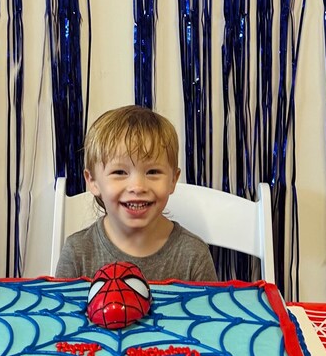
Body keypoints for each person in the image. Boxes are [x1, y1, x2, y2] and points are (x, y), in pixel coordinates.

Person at [55, 105, 218, 282]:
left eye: (153, 172)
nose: (138, 187)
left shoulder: (194, 255)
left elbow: (207, 310)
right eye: (119, 172)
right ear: (92, 181)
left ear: (173, 180)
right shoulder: (77, 253)